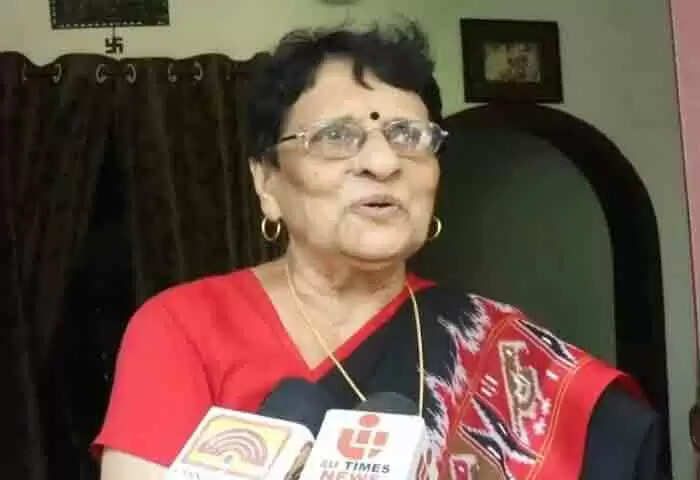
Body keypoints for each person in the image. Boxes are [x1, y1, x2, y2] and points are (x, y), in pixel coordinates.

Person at [95, 23, 660, 479]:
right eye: (336, 137)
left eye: (409, 136)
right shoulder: (182, 328)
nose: (383, 163)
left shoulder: (501, 346)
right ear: (267, 182)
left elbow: (615, 443)